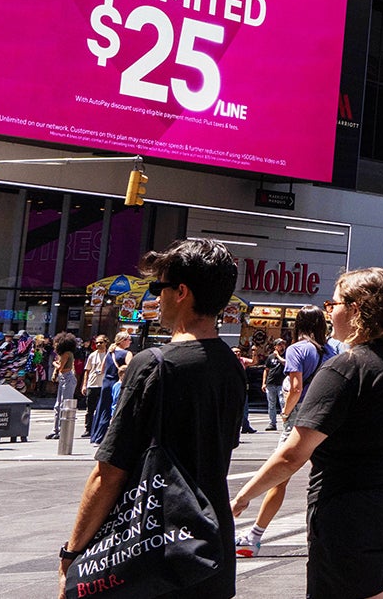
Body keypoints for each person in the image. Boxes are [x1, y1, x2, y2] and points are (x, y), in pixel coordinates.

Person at [61, 242, 245, 599]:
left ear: (181, 292)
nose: (155, 298)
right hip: (209, 550)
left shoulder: (154, 364)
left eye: (158, 288)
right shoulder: (231, 367)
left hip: (152, 555)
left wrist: (72, 554)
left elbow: (109, 473)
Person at [232, 269, 383, 599]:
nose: (327, 311)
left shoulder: (345, 367)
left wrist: (241, 497)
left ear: (355, 309)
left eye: (332, 303)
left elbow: (293, 453)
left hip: (351, 511)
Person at [238, 305, 337, 558]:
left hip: (300, 414)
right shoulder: (330, 350)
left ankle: (254, 536)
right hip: (327, 413)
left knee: (280, 476)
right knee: (328, 476)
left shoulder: (297, 349)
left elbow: (295, 387)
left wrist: (285, 413)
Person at [89, 330, 132, 442]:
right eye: (128, 339)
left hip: (106, 382)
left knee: (103, 409)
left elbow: (102, 369)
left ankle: (97, 436)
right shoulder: (127, 354)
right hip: (117, 383)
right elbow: (130, 369)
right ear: (122, 341)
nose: (130, 342)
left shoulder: (109, 352)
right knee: (115, 409)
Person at [49, 332, 81, 439]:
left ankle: (62, 429)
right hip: (63, 378)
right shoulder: (63, 354)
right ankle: (56, 429)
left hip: (67, 378)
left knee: (64, 404)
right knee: (58, 405)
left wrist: (54, 363)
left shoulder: (67, 354)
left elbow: (61, 367)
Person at [81, 334, 108, 438]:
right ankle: (88, 428)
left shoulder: (109, 355)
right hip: (92, 384)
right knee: (90, 409)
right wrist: (84, 385)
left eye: (101, 342)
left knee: (102, 408)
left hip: (103, 385)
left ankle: (100, 428)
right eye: (96, 342)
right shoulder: (92, 355)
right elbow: (87, 371)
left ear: (106, 343)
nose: (98, 344)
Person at [263, 338, 287, 433]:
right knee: (271, 404)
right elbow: (266, 369)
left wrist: (278, 356)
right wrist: (264, 382)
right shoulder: (270, 357)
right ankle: (272, 423)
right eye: (279, 345)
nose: (281, 346)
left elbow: (285, 363)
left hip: (281, 383)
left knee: (283, 403)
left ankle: (285, 423)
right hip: (271, 383)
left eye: (283, 344)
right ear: (275, 346)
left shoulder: (286, 356)